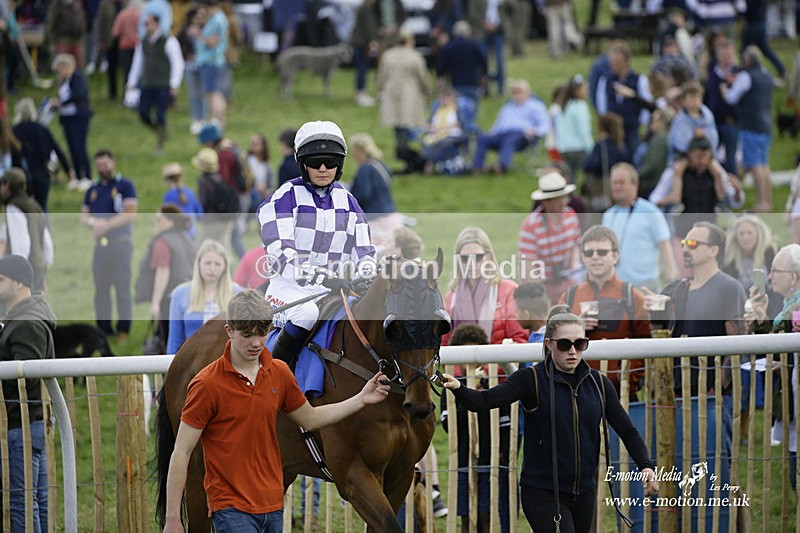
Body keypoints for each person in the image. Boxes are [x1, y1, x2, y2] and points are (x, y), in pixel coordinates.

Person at [162, 289, 391, 533]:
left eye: (262, 333)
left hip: (272, 506)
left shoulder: (280, 372)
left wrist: (361, 399)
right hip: (231, 507)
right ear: (229, 331)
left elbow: (311, 419)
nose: (256, 343)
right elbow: (182, 451)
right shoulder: (206, 384)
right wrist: (173, 518)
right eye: (247, 335)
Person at [438, 305, 659, 533]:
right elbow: (483, 402)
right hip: (542, 492)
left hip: (584, 492)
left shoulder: (599, 384)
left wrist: (646, 466)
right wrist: (458, 388)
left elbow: (627, 430)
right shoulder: (530, 379)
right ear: (549, 344)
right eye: (564, 344)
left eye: (580, 344)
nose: (573, 351)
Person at [257, 120, 377, 366]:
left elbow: (365, 251)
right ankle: (270, 377)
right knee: (306, 314)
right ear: (303, 164)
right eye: (315, 162)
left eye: (330, 162)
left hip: (334, 291)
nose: (323, 168)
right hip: (288, 290)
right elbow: (282, 254)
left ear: (340, 164)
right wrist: (322, 277)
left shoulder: (349, 201)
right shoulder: (284, 197)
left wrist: (366, 275)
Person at [558, 225, 650, 399]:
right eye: (589, 253)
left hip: (621, 395)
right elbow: (554, 344)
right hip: (577, 392)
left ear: (615, 256)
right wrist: (576, 326)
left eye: (601, 252)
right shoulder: (569, 297)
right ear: (582, 258)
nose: (595, 258)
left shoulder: (632, 296)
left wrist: (628, 380)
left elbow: (646, 344)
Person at [0, 255, 56, 533]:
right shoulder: (23, 318)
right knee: (35, 500)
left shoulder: (26, 323)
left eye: (0, 280)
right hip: (30, 423)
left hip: (20, 424)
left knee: (22, 503)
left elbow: (26, 378)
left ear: (19, 284)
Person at [441, 324, 511, 533]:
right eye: (465, 357)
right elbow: (448, 425)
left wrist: (503, 450)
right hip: (462, 460)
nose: (470, 364)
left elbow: (504, 422)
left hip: (489, 461)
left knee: (486, 515)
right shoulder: (451, 388)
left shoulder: (493, 385)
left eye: (475, 356)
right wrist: (467, 397)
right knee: (466, 517)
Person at [746, 243, 800, 490]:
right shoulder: (788, 307)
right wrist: (760, 316)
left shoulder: (795, 309)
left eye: (776, 271)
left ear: (794, 277)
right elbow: (774, 348)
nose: (769, 276)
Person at [80, 149, 138, 341]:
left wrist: (106, 225)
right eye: (99, 166)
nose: (102, 169)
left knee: (122, 288)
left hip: (120, 244)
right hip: (101, 246)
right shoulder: (93, 189)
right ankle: (103, 330)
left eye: (105, 164)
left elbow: (130, 213)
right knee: (101, 289)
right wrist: (93, 224)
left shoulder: (125, 185)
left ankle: (123, 330)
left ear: (113, 162)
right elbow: (84, 216)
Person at [444, 226, 528, 345]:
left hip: (501, 362)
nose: (471, 264)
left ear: (488, 256)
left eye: (477, 257)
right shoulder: (451, 296)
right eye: (464, 258)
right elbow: (443, 345)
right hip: (460, 363)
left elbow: (520, 339)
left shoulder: (509, 290)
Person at [602, 163, 678, 290]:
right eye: (614, 183)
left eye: (621, 182)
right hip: (615, 285)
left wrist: (671, 282)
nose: (617, 187)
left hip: (645, 285)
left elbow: (665, 248)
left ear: (634, 184)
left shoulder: (650, 212)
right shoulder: (608, 215)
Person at [721, 45, 774, 213]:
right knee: (764, 165)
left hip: (751, 124)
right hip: (766, 124)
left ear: (746, 60)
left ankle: (761, 203)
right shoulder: (766, 74)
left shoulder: (746, 76)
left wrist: (724, 90)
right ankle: (768, 200)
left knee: (755, 164)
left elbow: (731, 98)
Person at [135, 204, 197, 345]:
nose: (155, 222)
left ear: (171, 221)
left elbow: (163, 271)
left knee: (170, 339)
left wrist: (155, 302)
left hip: (170, 298)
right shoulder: (187, 239)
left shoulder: (162, 241)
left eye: (159, 219)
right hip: (191, 294)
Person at [166, 239, 241, 354]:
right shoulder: (180, 294)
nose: (212, 268)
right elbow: (175, 340)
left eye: (217, 264)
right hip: (191, 363)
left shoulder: (238, 294)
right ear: (198, 264)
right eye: (207, 263)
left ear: (225, 266)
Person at [518, 172, 582, 303]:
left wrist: (574, 271)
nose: (563, 203)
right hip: (542, 286)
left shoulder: (571, 215)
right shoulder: (531, 225)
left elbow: (575, 246)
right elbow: (529, 266)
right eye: (558, 199)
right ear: (546, 201)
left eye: (564, 198)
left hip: (566, 282)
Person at [126, 12, 184, 153]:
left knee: (160, 114)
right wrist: (131, 81)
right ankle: (160, 131)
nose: (147, 27)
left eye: (149, 23)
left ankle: (160, 145)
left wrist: (174, 84)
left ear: (157, 24)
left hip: (163, 84)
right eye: (145, 24)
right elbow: (138, 63)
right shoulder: (144, 41)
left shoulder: (168, 41)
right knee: (143, 113)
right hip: (147, 84)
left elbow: (177, 63)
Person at [377, 32, 430, 174]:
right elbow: (422, 77)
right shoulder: (415, 56)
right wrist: (427, 91)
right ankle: (413, 157)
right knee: (411, 125)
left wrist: (381, 89)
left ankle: (406, 154)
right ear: (410, 41)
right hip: (410, 95)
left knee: (398, 127)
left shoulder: (388, 55)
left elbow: (381, 76)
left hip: (392, 94)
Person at [470, 79, 550, 174]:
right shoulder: (507, 107)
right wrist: (492, 132)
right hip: (502, 134)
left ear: (528, 93)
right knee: (482, 138)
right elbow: (498, 125)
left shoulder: (536, 106)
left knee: (510, 138)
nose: (517, 95)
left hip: (523, 136)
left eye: (520, 92)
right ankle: (476, 168)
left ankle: (501, 166)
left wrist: (535, 131)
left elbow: (545, 125)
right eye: (514, 92)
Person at [11, 97, 73, 211]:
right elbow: (57, 149)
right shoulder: (42, 129)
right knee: (42, 208)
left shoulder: (14, 131)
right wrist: (68, 170)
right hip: (42, 173)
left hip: (22, 175)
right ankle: (44, 228)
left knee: (23, 210)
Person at [348, 132, 404, 256]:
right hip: (392, 216)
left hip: (376, 220)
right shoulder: (381, 164)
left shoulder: (365, 169)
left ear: (359, 150)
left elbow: (363, 194)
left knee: (372, 257)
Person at [0, 169, 54, 292]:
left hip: (23, 274)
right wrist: (44, 269)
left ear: (7, 185)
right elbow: (47, 242)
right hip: (38, 269)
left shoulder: (13, 207)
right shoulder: (34, 205)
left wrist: (18, 275)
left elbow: (21, 244)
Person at [595, 43, 652, 157]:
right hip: (613, 131)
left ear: (625, 62)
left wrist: (641, 123)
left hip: (631, 128)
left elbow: (647, 102)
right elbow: (601, 104)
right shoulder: (605, 79)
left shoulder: (638, 79)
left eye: (616, 62)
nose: (613, 65)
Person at [51, 53, 93, 184]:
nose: (59, 73)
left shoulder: (77, 78)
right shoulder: (63, 81)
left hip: (78, 117)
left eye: (60, 69)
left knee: (79, 146)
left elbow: (79, 95)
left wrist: (61, 103)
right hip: (67, 117)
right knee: (71, 147)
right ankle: (77, 176)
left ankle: (87, 176)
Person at [193, 0, 228, 125]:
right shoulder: (217, 18)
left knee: (212, 92)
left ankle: (216, 120)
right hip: (213, 60)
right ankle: (219, 121)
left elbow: (212, 42)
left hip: (211, 60)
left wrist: (199, 35)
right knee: (215, 91)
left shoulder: (217, 20)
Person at [435, 21, 486, 104]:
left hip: (456, 86)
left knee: (458, 114)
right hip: (473, 86)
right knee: (471, 114)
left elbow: (440, 73)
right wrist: (482, 86)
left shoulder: (448, 48)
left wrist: (440, 91)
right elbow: (484, 67)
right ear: (469, 32)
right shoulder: (475, 46)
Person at [554, 74, 593, 183]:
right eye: (584, 88)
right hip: (579, 148)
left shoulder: (562, 106)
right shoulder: (580, 106)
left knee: (569, 178)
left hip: (565, 148)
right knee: (589, 176)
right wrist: (590, 147)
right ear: (577, 91)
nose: (587, 91)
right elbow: (583, 129)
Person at [161, 162, 203, 238]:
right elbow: (199, 213)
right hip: (191, 232)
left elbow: (165, 216)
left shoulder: (168, 196)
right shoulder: (190, 193)